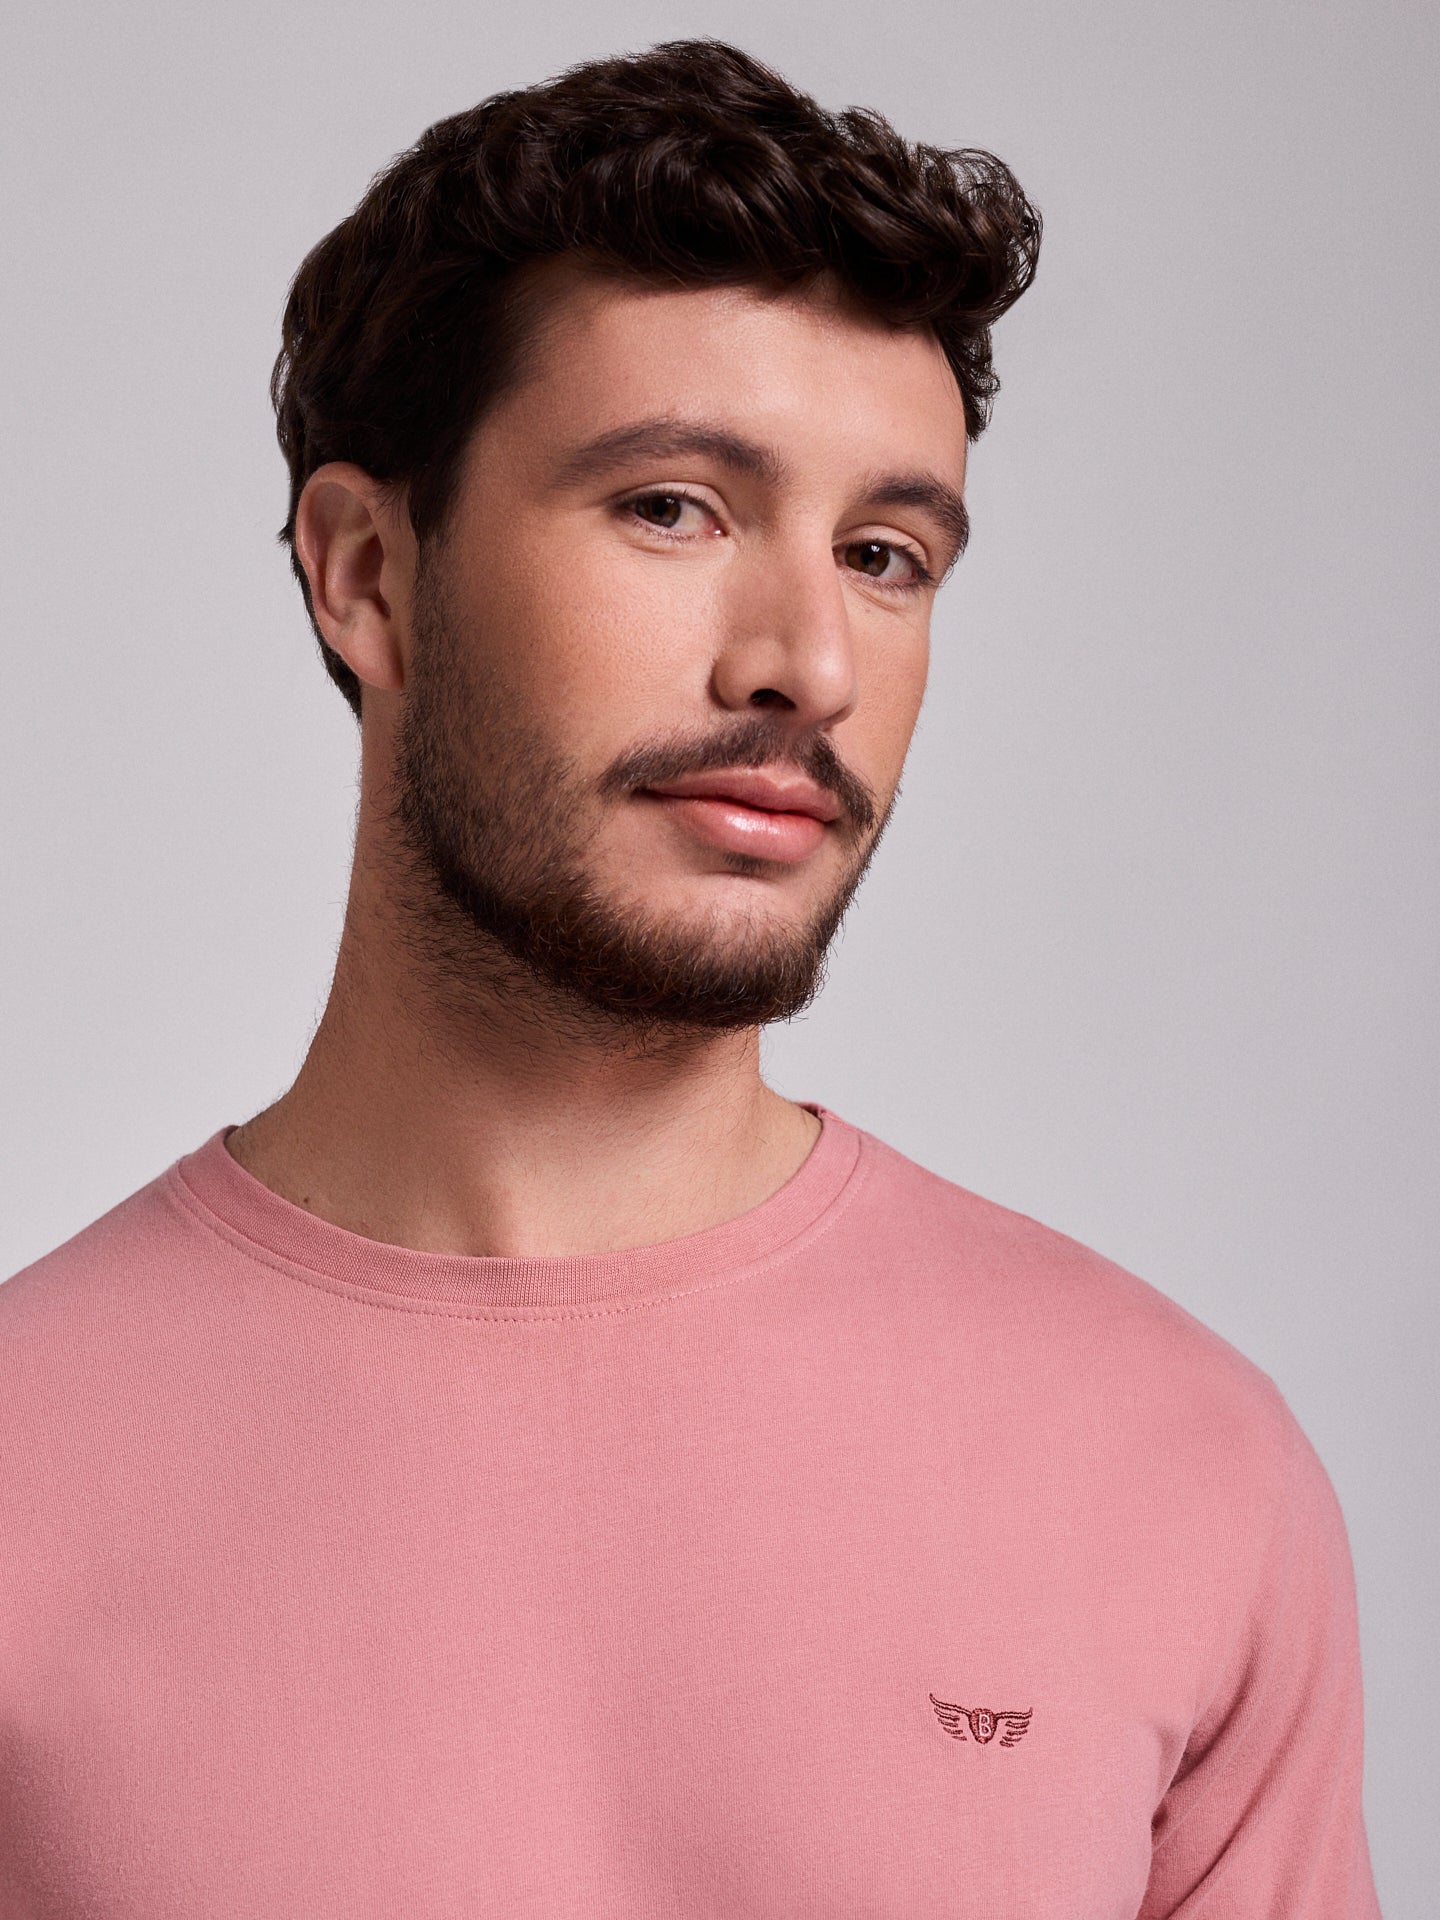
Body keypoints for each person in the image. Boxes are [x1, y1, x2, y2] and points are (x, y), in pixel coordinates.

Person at [0, 38, 1380, 1919]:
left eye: (886, 554)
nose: (809, 661)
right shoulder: (33, 1468)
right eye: (672, 506)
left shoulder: (1179, 1466)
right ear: (367, 574)